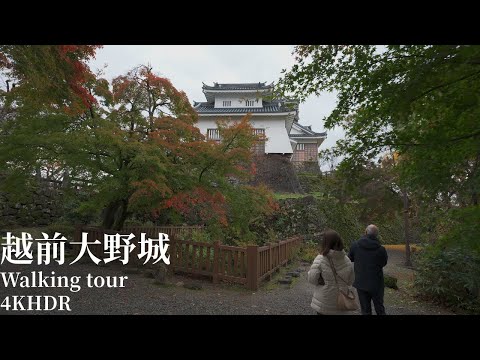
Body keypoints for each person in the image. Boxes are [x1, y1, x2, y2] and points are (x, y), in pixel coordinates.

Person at [307, 229, 355, 315]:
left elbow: (312, 279)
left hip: (325, 302)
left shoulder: (320, 259)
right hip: (342, 301)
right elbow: (350, 281)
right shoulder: (347, 260)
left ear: (325, 242)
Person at [348, 224, 388, 315]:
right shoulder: (381, 249)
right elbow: (384, 263)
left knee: (365, 310)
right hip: (377, 283)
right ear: (376, 235)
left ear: (365, 232)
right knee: (380, 308)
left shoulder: (355, 245)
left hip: (361, 282)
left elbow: (350, 258)